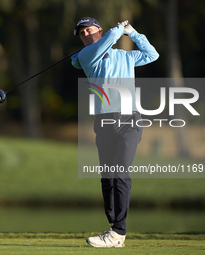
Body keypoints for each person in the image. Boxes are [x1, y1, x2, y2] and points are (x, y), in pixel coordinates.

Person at [71, 17, 159, 248]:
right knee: (108, 178)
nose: (87, 35)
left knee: (120, 173)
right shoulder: (86, 56)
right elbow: (105, 42)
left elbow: (152, 55)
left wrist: (133, 33)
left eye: (90, 30)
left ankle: (118, 232)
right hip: (104, 122)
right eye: (82, 33)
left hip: (130, 120)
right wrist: (118, 29)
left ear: (98, 30)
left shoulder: (124, 56)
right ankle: (114, 231)